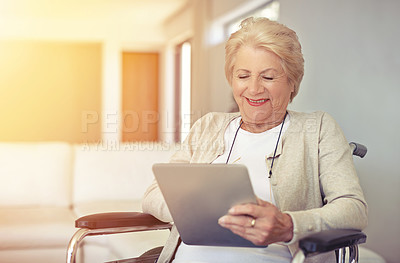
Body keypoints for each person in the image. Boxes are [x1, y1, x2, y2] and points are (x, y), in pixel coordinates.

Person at [142, 17, 368, 263]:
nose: (254, 89)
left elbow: (353, 208)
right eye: (243, 76)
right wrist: (196, 211)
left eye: (268, 77)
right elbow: (154, 194)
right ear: (231, 79)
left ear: (292, 82)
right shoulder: (208, 125)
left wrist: (289, 225)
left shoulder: (318, 128)